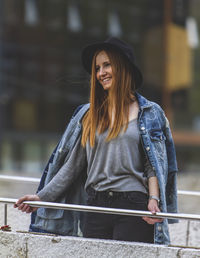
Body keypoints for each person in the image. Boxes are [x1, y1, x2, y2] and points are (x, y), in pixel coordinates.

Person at [14, 37, 178, 245]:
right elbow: (72, 166)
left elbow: (152, 165)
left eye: (107, 65)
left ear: (123, 67)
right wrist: (42, 197)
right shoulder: (89, 115)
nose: (101, 73)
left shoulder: (150, 113)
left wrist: (154, 201)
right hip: (95, 206)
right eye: (98, 68)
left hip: (133, 205)